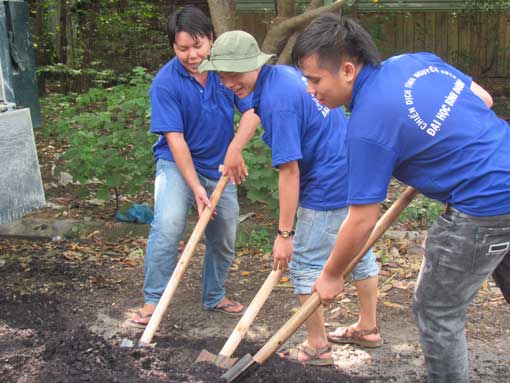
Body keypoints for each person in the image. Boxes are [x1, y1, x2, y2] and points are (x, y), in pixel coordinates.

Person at [292, 13, 510, 382]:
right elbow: (484, 100)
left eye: (314, 79)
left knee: (437, 310)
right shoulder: (416, 61)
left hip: (484, 205)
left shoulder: (366, 126)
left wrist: (330, 275)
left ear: (347, 69)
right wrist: (431, 148)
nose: (310, 90)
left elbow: (361, 219)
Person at [198, 30, 381, 365]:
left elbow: (289, 172)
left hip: (326, 183)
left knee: (306, 266)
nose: (228, 82)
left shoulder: (277, 102)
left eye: (234, 75)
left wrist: (285, 234)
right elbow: (253, 112)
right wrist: (235, 148)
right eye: (222, 76)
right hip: (352, 170)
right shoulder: (280, 76)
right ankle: (368, 328)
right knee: (359, 253)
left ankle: (317, 346)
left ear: (253, 66)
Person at [130, 6, 260, 327]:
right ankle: (153, 301)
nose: (192, 54)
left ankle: (214, 295)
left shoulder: (225, 70)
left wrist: (234, 150)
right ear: (173, 47)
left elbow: (252, 111)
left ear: (211, 39)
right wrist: (196, 187)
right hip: (177, 164)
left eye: (198, 45)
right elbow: (175, 140)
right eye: (182, 48)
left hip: (220, 166)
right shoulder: (165, 83)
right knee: (169, 225)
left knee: (225, 231)